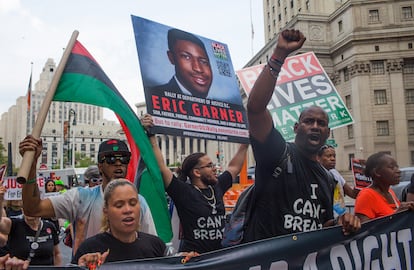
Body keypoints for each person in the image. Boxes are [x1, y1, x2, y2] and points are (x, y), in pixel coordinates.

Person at [244, 29, 361, 243]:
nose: (315, 126)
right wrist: (279, 54)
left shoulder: (327, 178)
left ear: (328, 132)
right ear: (297, 127)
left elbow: (322, 224)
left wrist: (341, 222)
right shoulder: (277, 153)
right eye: (309, 122)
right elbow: (255, 108)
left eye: (322, 124)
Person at [19, 136, 157, 255]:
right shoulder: (80, 198)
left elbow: (151, 246)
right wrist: (31, 164)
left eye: (124, 158)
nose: (118, 163)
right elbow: (33, 209)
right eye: (110, 159)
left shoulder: (139, 203)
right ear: (100, 166)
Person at [141, 114, 249, 253]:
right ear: (197, 172)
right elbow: (161, 167)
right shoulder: (183, 191)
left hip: (220, 258)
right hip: (194, 260)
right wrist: (151, 135)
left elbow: (234, 168)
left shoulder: (217, 186)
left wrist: (245, 144)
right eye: (209, 166)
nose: (214, 168)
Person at [72, 179, 166, 266]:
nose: (128, 210)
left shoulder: (156, 245)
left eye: (133, 203)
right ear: (106, 211)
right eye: (119, 205)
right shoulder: (89, 249)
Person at [0, 181, 61, 266]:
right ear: (22, 208)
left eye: (32, 207)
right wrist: (1, 199)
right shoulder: (15, 224)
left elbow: (56, 253)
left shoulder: (49, 226)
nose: (28, 210)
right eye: (25, 206)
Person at [151, 28, 213, 99]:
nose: (198, 69)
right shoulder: (156, 94)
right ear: (171, 57)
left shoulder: (217, 104)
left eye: (203, 62)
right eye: (186, 57)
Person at [354, 152, 414, 223]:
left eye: (397, 167)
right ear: (377, 172)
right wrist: (396, 215)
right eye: (392, 167)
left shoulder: (390, 192)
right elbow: (364, 230)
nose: (398, 171)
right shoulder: (366, 195)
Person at [317, 144, 359, 216]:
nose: (333, 159)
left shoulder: (335, 173)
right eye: (328, 156)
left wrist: (359, 182)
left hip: (341, 219)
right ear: (318, 158)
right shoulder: (316, 175)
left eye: (334, 156)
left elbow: (353, 194)